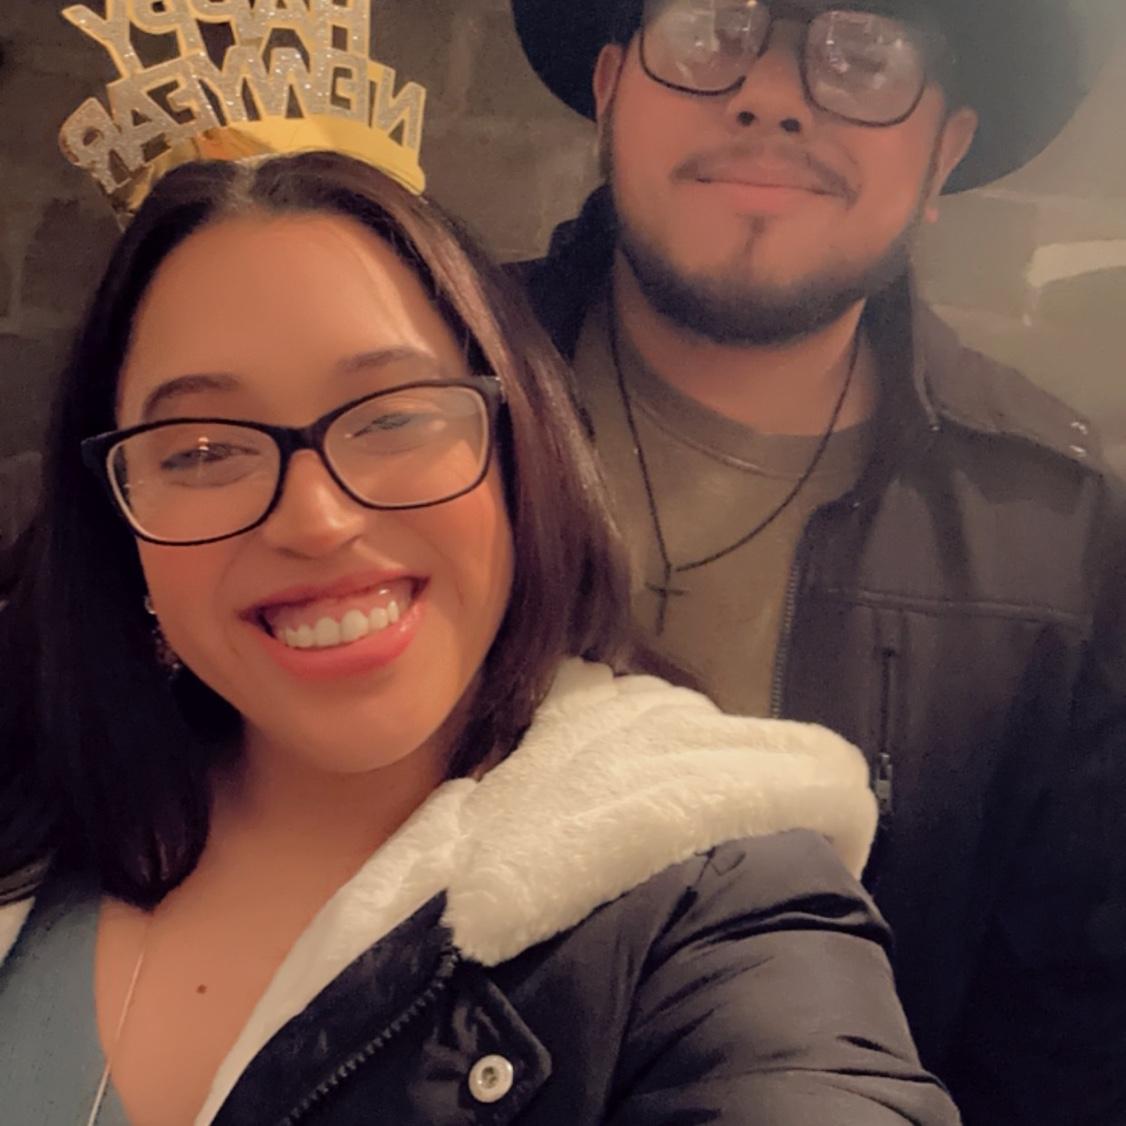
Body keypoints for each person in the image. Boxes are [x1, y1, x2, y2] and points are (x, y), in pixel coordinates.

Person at [0, 151, 957, 1125]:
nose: (316, 521)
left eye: (393, 416)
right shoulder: (32, 777)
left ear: (518, 447)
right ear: (117, 516)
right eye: (203, 450)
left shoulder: (711, 892)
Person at [509, 0, 1126, 1121]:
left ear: (944, 153)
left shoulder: (1058, 535)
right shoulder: (406, 396)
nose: (770, 96)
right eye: (712, 28)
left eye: (864, 53)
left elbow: (1064, 1036)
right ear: (609, 92)